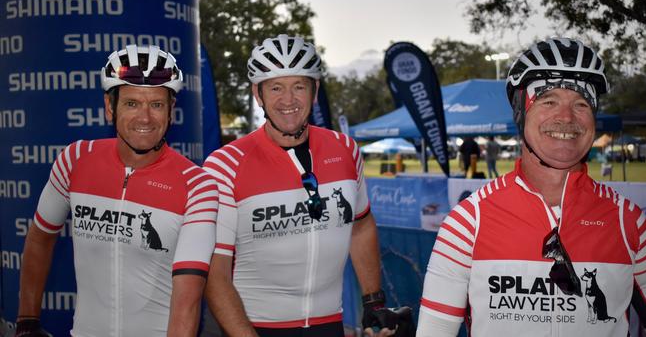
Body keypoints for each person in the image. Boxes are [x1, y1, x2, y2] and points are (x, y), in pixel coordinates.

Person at [416, 37, 646, 336]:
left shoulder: (629, 223)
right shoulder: (467, 223)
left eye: (581, 103)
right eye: (548, 100)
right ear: (520, 112)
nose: (566, 117)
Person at [202, 34, 406, 337]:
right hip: (253, 327)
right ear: (258, 94)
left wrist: (373, 301)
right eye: (276, 88)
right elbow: (214, 274)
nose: (288, 100)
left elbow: (361, 226)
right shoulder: (226, 165)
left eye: (299, 86)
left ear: (314, 91)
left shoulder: (344, 150)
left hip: (330, 325)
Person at [16, 45, 218, 337]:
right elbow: (39, 237)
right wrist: (27, 321)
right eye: (132, 103)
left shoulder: (197, 185)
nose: (145, 118)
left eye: (157, 105)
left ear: (171, 110)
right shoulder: (75, 160)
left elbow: (187, 299)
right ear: (110, 107)